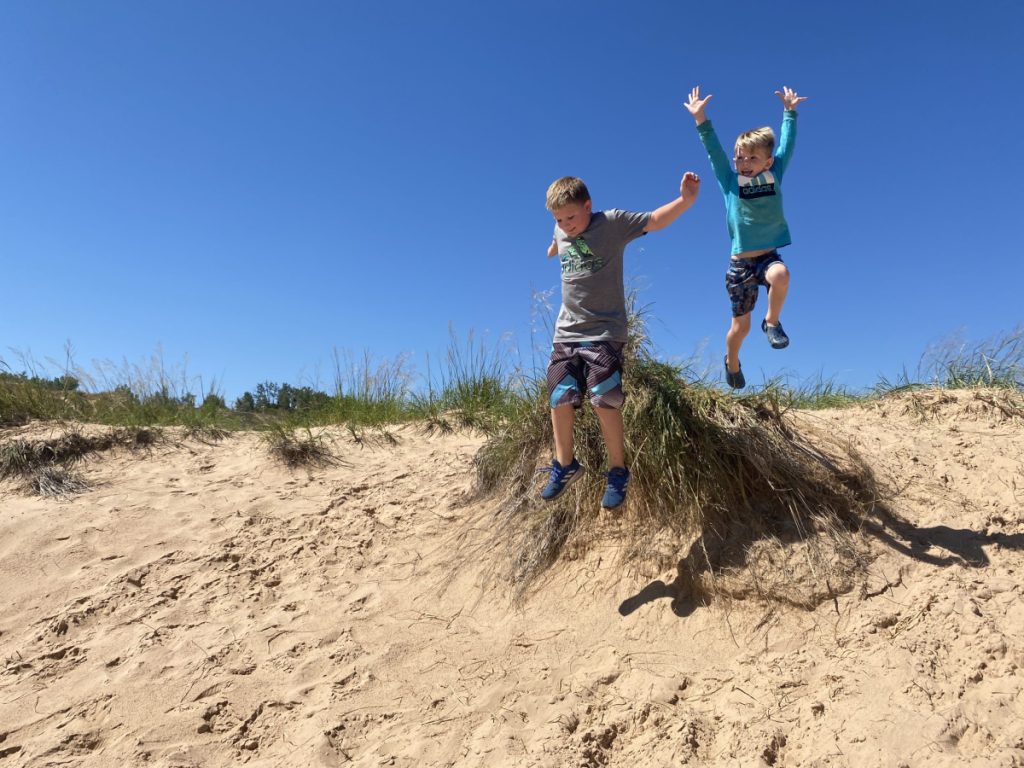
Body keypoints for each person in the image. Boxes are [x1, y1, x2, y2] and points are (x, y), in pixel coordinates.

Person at [540, 172, 701, 509]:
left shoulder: (611, 223)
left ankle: (617, 470)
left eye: (572, 216)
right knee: (559, 395)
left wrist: (685, 200)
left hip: (605, 331)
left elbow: (655, 220)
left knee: (603, 398)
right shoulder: (560, 227)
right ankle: (565, 464)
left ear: (588, 205)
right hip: (566, 332)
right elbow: (558, 237)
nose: (567, 224)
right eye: (559, 219)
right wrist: (554, 245)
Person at [685, 85, 808, 389]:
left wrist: (789, 113)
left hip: (767, 257)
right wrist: (701, 119)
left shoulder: (773, 176)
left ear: (767, 162)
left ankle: (773, 321)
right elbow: (714, 151)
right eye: (740, 157)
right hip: (740, 265)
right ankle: (732, 361)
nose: (744, 163)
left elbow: (787, 146)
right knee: (740, 328)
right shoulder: (730, 182)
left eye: (752, 158)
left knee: (781, 275)